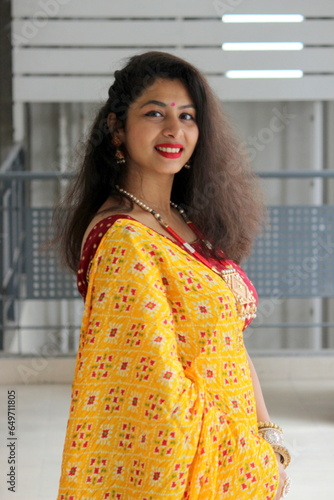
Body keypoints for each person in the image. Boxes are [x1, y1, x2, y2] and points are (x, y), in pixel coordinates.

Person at [56, 51, 291, 499]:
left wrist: (269, 436)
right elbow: (157, 393)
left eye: (187, 116)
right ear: (117, 128)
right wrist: (251, 460)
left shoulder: (183, 219)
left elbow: (230, 344)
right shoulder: (124, 241)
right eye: (154, 113)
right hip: (202, 473)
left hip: (244, 455)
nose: (174, 130)